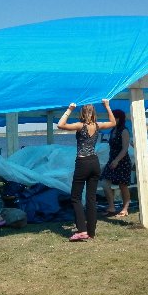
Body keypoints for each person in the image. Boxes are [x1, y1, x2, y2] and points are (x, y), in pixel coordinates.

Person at [58, 99, 116, 241]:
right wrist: (107, 106)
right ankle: (91, 232)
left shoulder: (80, 125)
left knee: (75, 197)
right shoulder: (98, 126)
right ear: (94, 113)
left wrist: (70, 109)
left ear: (82, 113)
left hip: (83, 162)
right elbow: (113, 122)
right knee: (91, 198)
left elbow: (60, 125)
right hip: (94, 162)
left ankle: (82, 230)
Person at [100, 109, 132, 217]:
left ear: (119, 118)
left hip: (122, 161)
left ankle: (125, 209)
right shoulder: (113, 130)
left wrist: (117, 160)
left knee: (123, 185)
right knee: (105, 183)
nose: (111, 119)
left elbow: (125, 148)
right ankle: (111, 207)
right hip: (112, 160)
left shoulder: (124, 131)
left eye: (113, 117)